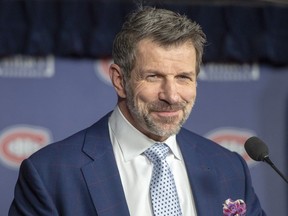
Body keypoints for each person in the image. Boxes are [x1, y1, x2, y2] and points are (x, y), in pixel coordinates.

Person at [9, 6, 266, 216]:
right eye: (154, 77)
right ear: (120, 81)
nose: (172, 95)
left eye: (184, 77)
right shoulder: (50, 173)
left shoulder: (229, 169)